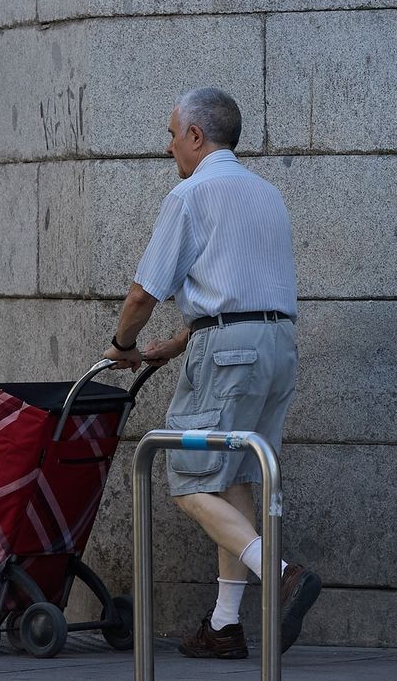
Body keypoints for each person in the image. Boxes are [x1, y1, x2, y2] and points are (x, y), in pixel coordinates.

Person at [102, 87, 321, 659]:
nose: (170, 146)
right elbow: (246, 292)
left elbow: (143, 292)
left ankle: (280, 574)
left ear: (196, 137)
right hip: (277, 346)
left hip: (229, 353)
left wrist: (122, 344)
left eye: (173, 134)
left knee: (189, 478)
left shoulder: (191, 194)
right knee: (235, 478)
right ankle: (225, 626)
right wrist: (181, 342)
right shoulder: (266, 193)